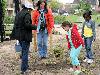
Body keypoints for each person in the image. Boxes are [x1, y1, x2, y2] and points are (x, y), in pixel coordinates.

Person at [10, 3, 37, 74]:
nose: (31, 11)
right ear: (28, 8)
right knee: (25, 52)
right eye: (31, 10)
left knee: (23, 51)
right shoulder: (27, 14)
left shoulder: (18, 13)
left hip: (19, 36)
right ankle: (24, 69)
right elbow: (27, 25)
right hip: (25, 36)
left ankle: (26, 66)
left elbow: (16, 24)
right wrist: (35, 26)